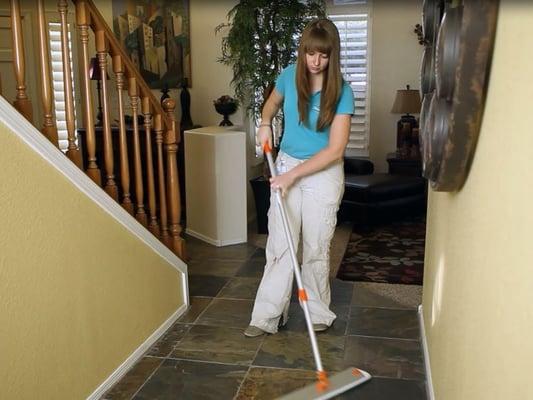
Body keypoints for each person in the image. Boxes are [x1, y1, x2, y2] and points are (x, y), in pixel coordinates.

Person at [244, 18, 354, 337]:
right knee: (280, 244)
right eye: (310, 53)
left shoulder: (342, 92)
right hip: (288, 162)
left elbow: (334, 151)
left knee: (316, 245)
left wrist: (292, 176)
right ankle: (267, 315)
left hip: (324, 172)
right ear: (302, 51)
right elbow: (271, 106)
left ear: (333, 56)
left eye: (323, 55)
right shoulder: (289, 76)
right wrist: (264, 122)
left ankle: (317, 311)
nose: (315, 62)